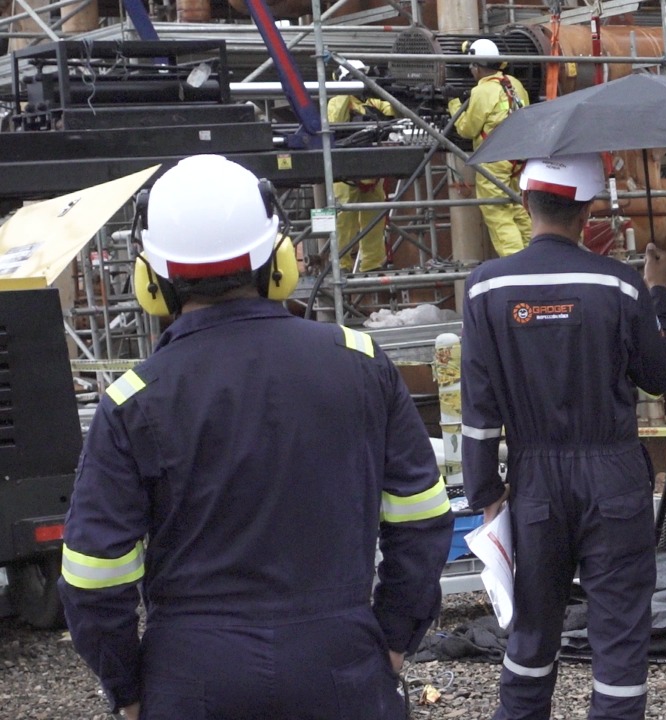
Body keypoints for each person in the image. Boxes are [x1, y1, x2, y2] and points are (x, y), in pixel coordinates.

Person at [59, 154, 454, 720]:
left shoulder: (132, 402)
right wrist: (393, 639)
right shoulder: (362, 364)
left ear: (152, 279)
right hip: (341, 662)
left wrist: (128, 689)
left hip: (193, 676)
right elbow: (421, 522)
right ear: (280, 260)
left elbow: (92, 580)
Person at [460, 153, 666, 720]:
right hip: (612, 477)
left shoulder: (485, 289)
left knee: (531, 637)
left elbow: (479, 412)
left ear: (526, 201)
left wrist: (487, 493)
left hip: (533, 483)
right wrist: (659, 294)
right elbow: (660, 375)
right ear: (587, 210)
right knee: (620, 639)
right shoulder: (620, 284)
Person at [447, 38, 533, 257]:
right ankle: (537, 255)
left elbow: (467, 129)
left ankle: (518, 267)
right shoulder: (514, 84)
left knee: (498, 214)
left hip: (494, 161)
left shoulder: (483, 91)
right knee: (518, 209)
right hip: (518, 158)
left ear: (476, 67)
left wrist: (453, 104)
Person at [327, 59, 396, 273]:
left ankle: (373, 264)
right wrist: (344, 89)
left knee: (374, 218)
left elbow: (394, 110)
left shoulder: (371, 102)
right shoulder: (337, 102)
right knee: (343, 221)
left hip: (371, 168)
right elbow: (335, 121)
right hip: (345, 171)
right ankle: (341, 264)